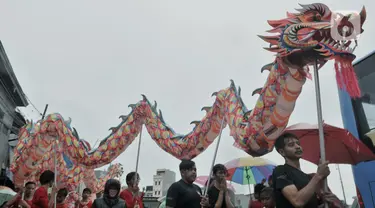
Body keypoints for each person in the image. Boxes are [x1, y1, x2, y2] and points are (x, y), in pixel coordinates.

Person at [272, 132, 337, 208]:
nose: (297, 147)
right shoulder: (281, 171)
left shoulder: (309, 178)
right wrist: (318, 175)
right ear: (282, 152)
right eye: (291, 145)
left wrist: (326, 203)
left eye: (298, 143)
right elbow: (297, 201)